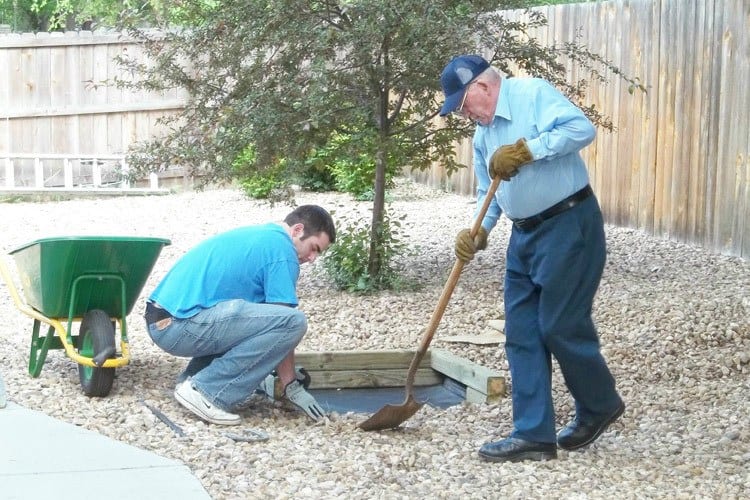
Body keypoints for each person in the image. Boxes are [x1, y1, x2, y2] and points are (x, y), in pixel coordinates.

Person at [439, 55, 624, 462]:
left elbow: (582, 129)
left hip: (568, 223)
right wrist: (478, 231)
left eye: (463, 103)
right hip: (523, 236)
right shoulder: (482, 136)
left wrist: (529, 150)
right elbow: (489, 193)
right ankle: (533, 434)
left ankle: (599, 404)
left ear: (483, 89)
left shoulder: (533, 94)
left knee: (559, 325)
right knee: (521, 332)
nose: (463, 113)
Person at [144, 204, 336, 425]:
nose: (312, 258)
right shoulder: (283, 252)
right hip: (180, 325)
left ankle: (191, 382)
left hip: (164, 320)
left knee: (259, 318)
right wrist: (290, 384)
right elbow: (284, 323)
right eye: (314, 248)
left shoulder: (263, 236)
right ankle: (206, 391)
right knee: (295, 322)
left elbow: (262, 325)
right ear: (297, 230)